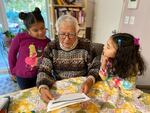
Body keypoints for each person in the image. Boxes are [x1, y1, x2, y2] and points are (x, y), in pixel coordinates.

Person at [36, 15, 100, 103]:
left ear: (77, 33)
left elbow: (95, 67)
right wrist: (43, 87)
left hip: (82, 86)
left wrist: (89, 80)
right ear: (57, 33)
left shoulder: (87, 45)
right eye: (62, 34)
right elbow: (44, 69)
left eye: (71, 34)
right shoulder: (51, 47)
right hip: (61, 87)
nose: (66, 39)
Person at [8, 7, 50, 89]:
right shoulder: (20, 37)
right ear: (28, 30)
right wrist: (13, 70)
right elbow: (11, 54)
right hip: (22, 76)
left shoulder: (48, 42)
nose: (40, 32)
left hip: (39, 75)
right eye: (35, 30)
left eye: (42, 28)